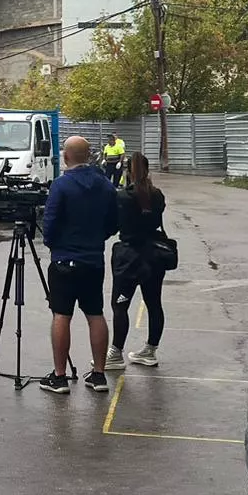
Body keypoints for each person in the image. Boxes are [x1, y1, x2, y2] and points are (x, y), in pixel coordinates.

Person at [38, 135, 119, 396]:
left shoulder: (61, 185)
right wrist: (97, 238)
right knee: (95, 314)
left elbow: (49, 223)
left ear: (66, 157)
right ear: (89, 156)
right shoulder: (105, 185)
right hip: (93, 260)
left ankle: (59, 377)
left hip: (64, 260)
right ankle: (99, 374)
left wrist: (55, 244)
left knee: (62, 315)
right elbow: (113, 222)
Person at [107, 154, 168, 371]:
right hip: (154, 255)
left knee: (120, 305)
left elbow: (113, 226)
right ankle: (150, 350)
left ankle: (115, 352)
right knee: (154, 303)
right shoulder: (157, 195)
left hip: (129, 257)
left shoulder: (123, 196)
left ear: (128, 172)